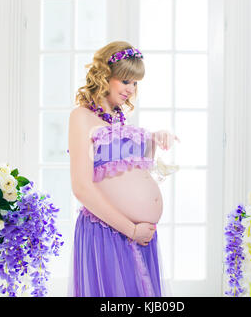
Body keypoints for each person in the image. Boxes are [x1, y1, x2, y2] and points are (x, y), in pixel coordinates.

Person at [66, 41, 179, 296]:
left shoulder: (118, 118)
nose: (131, 89)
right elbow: (81, 187)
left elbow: (134, 171)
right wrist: (131, 229)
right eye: (126, 81)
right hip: (109, 230)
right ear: (105, 76)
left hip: (139, 234)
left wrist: (153, 141)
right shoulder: (81, 117)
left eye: (135, 83)